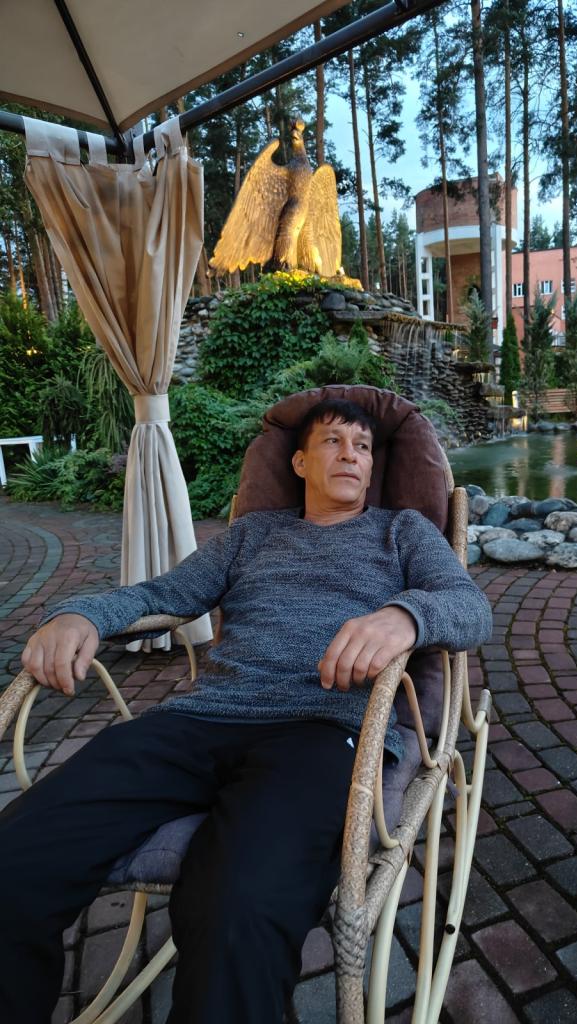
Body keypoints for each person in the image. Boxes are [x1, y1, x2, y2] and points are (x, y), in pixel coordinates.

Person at [0, 398, 492, 1024]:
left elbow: (469, 607)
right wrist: (82, 614)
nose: (351, 455)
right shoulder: (251, 535)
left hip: (322, 731)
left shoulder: (402, 532)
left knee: (238, 908)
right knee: (14, 862)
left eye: (364, 447)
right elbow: (165, 593)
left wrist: (406, 615)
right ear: (300, 462)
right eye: (333, 442)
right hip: (200, 720)